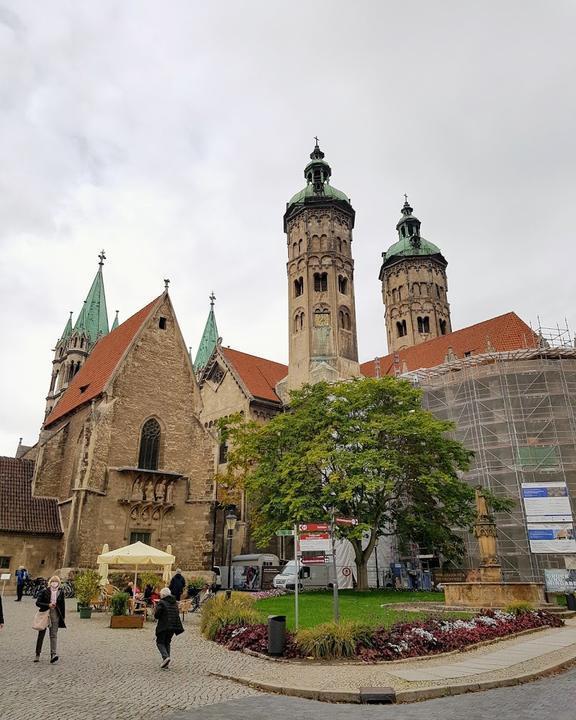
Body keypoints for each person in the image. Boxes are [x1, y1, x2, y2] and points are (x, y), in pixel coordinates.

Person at [34, 575, 66, 663]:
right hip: (45, 613)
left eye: (56, 582)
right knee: (41, 634)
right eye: (53, 581)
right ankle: (37, 654)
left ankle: (53, 654)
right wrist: (48, 605)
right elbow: (37, 602)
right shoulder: (44, 591)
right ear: (50, 582)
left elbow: (62, 605)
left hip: (55, 614)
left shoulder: (61, 592)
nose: (54, 583)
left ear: (59, 583)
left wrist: (62, 617)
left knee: (53, 635)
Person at [154, 587, 184, 669]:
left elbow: (157, 615)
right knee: (167, 642)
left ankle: (165, 657)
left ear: (163, 595)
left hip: (164, 625)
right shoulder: (174, 602)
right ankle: (166, 662)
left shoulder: (162, 602)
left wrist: (155, 610)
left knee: (159, 642)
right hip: (173, 626)